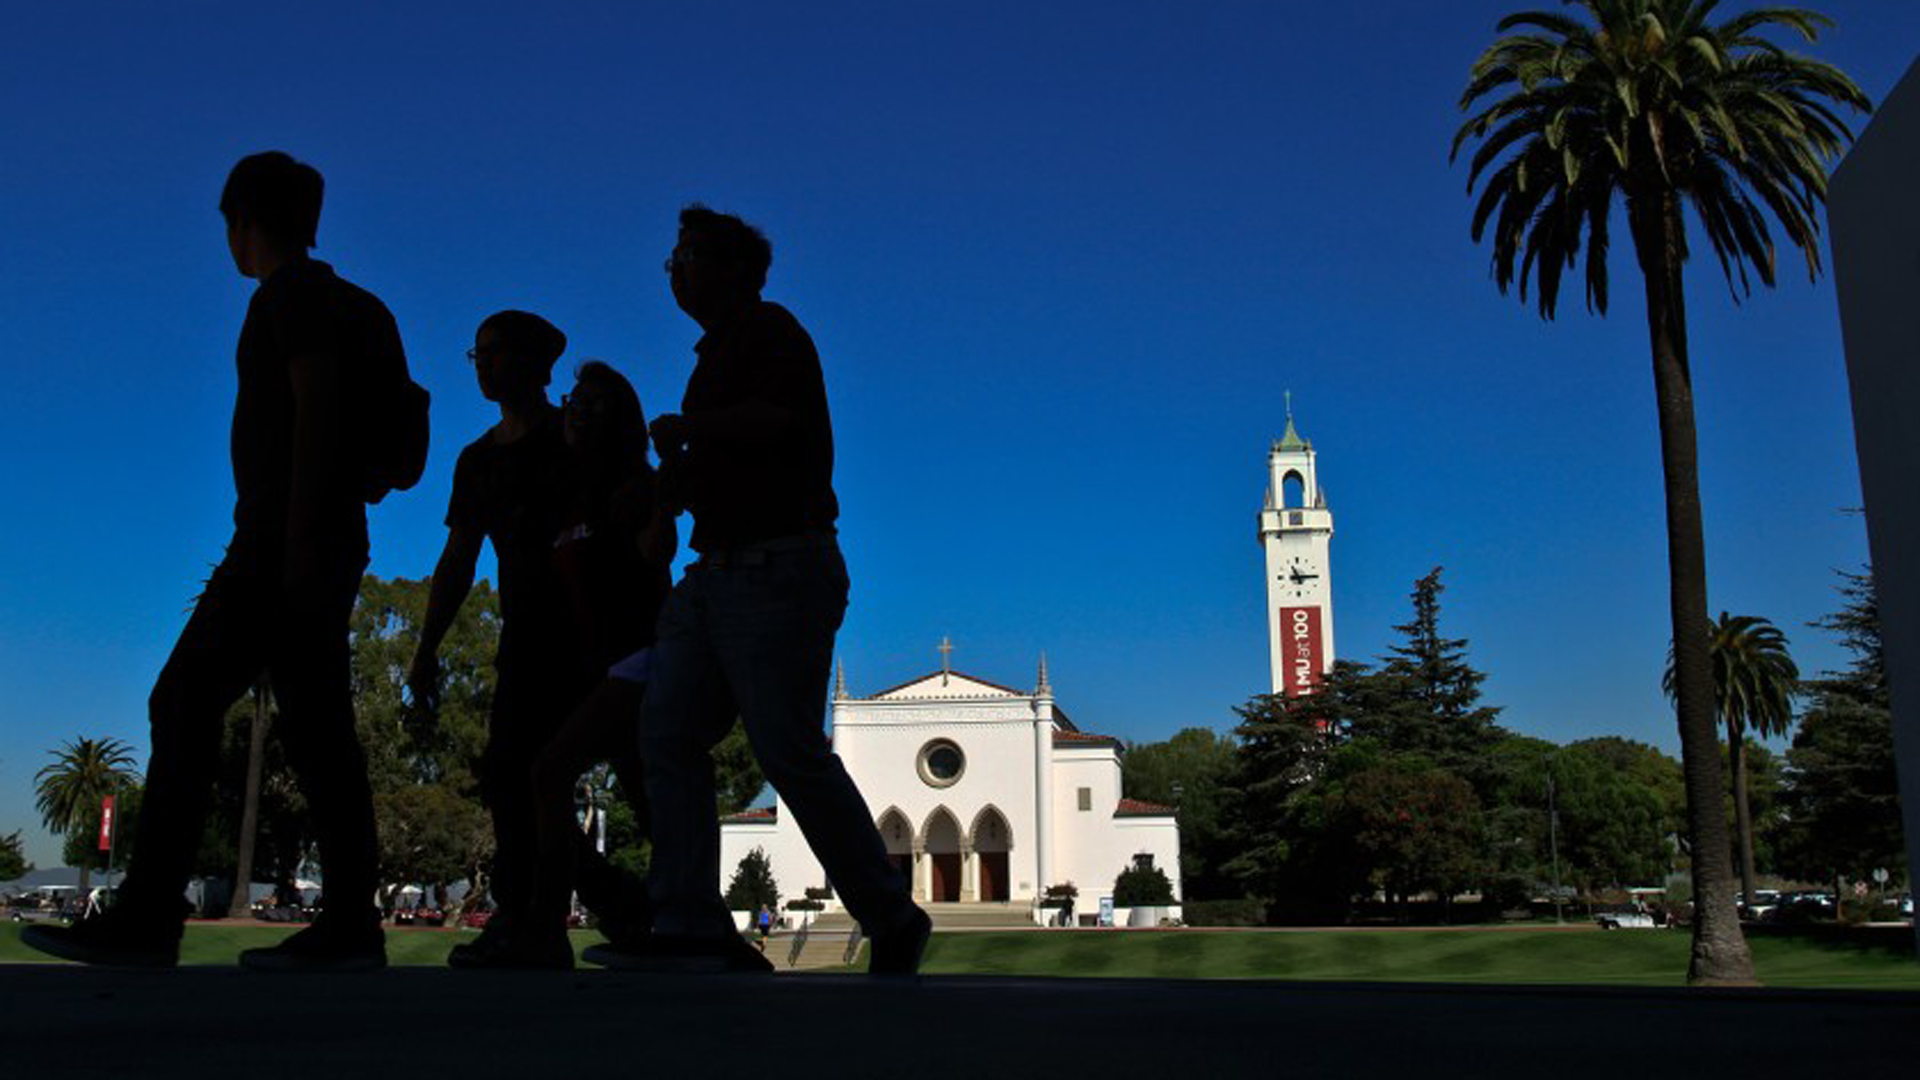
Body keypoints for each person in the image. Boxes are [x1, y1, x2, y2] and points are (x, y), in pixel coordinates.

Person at [23, 151, 402, 970]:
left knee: (183, 701)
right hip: (326, 536)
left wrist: (296, 534)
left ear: (243, 220)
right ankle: (348, 925)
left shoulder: (289, 297)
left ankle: (149, 916)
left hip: (279, 538)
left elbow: (316, 405)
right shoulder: (363, 306)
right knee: (322, 732)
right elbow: (394, 454)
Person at [584, 205, 930, 975]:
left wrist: (688, 433)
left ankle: (890, 915)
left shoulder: (772, 333)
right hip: (719, 575)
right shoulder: (714, 359)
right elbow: (719, 464)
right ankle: (688, 924)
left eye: (688, 256)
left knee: (787, 752)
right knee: (667, 736)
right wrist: (656, 494)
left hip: (780, 569)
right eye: (672, 258)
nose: (674, 270)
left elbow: (773, 424)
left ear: (736, 271)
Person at [407, 310, 591, 967]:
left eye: (494, 352)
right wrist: (426, 648)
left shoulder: (572, 441)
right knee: (512, 777)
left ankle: (555, 920)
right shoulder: (478, 460)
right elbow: (458, 559)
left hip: (584, 634)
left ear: (536, 365)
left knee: (548, 778)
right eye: (476, 353)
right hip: (523, 641)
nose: (482, 364)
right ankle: (526, 919)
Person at [511, 360, 673, 968]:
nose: (578, 408)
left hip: (641, 660)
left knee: (549, 774)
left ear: (621, 419)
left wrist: (663, 500)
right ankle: (664, 917)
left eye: (596, 402)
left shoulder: (632, 485)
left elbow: (657, 556)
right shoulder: (566, 490)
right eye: (574, 398)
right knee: (647, 798)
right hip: (596, 667)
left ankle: (546, 932)